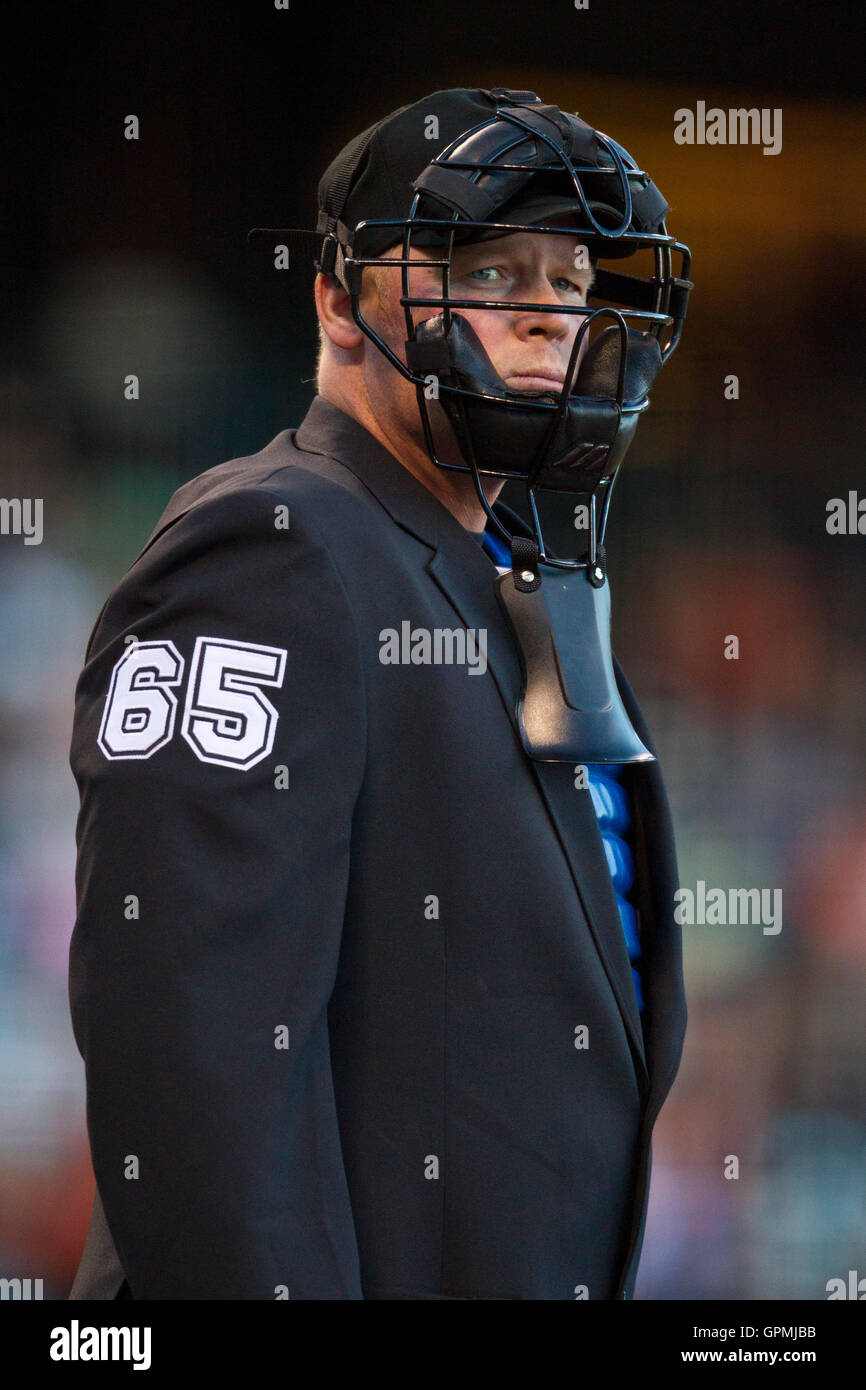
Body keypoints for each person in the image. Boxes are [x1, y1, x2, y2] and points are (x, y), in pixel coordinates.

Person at [67, 86, 689, 1300]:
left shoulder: (518, 570)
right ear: (336, 300)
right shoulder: (274, 541)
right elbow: (193, 1044)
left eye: (568, 282)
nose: (548, 318)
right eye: (493, 274)